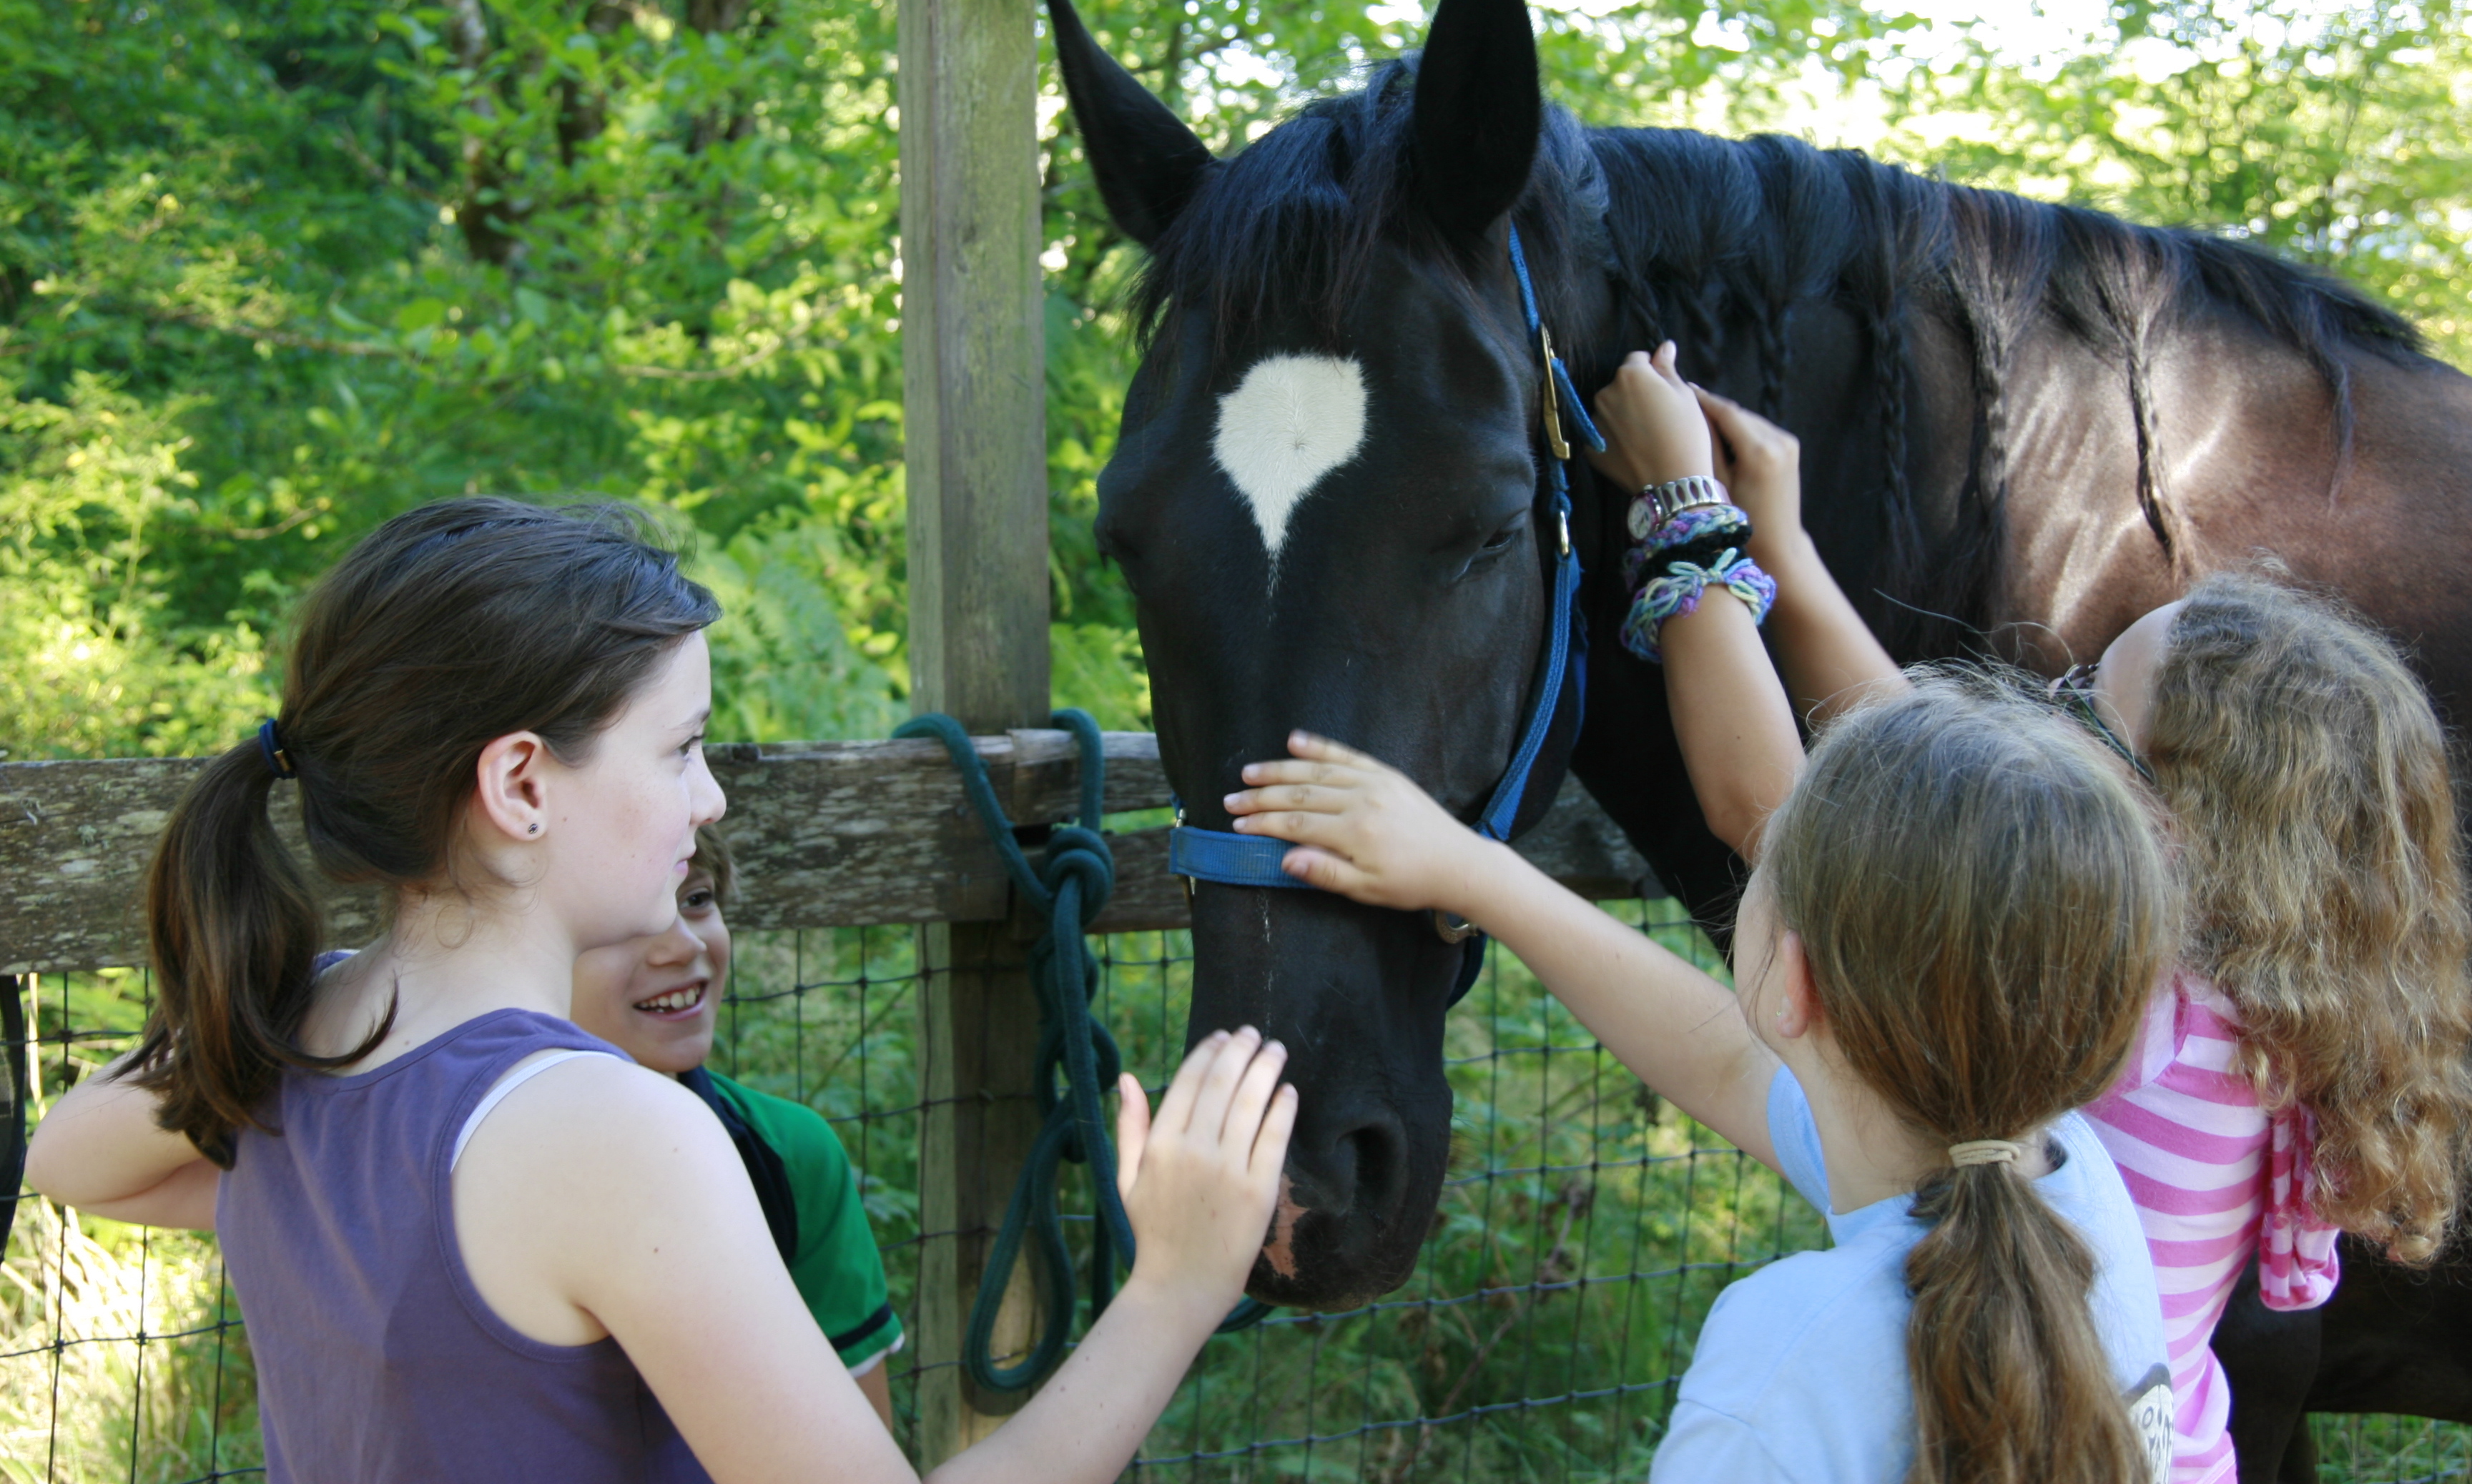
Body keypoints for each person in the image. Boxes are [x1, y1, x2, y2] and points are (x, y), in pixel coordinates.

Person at [23, 495, 1296, 1484]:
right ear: (522, 785)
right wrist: (1175, 1288)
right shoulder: (607, 1135)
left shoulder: (297, 1046)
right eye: (680, 748)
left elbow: (69, 1157)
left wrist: (280, 1009)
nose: (711, 797)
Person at [1585, 341, 2472, 1483]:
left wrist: (1683, 510)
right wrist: (1788, 552)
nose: (2050, 715)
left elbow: (1782, 815)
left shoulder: (2133, 1020)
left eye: (2086, 708)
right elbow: (1929, 768)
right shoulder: (2251, 1007)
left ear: (2172, 830)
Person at [1226, 678, 2180, 1470]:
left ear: (1793, 982)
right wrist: (1474, 872)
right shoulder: (2070, 1191)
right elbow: (1727, 1064)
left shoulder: (1787, 1370)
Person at [568, 824, 905, 1427]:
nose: (681, 945)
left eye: (696, 899)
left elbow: (864, 1438)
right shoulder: (475, 1158)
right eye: (622, 923)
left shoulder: (792, 1156)